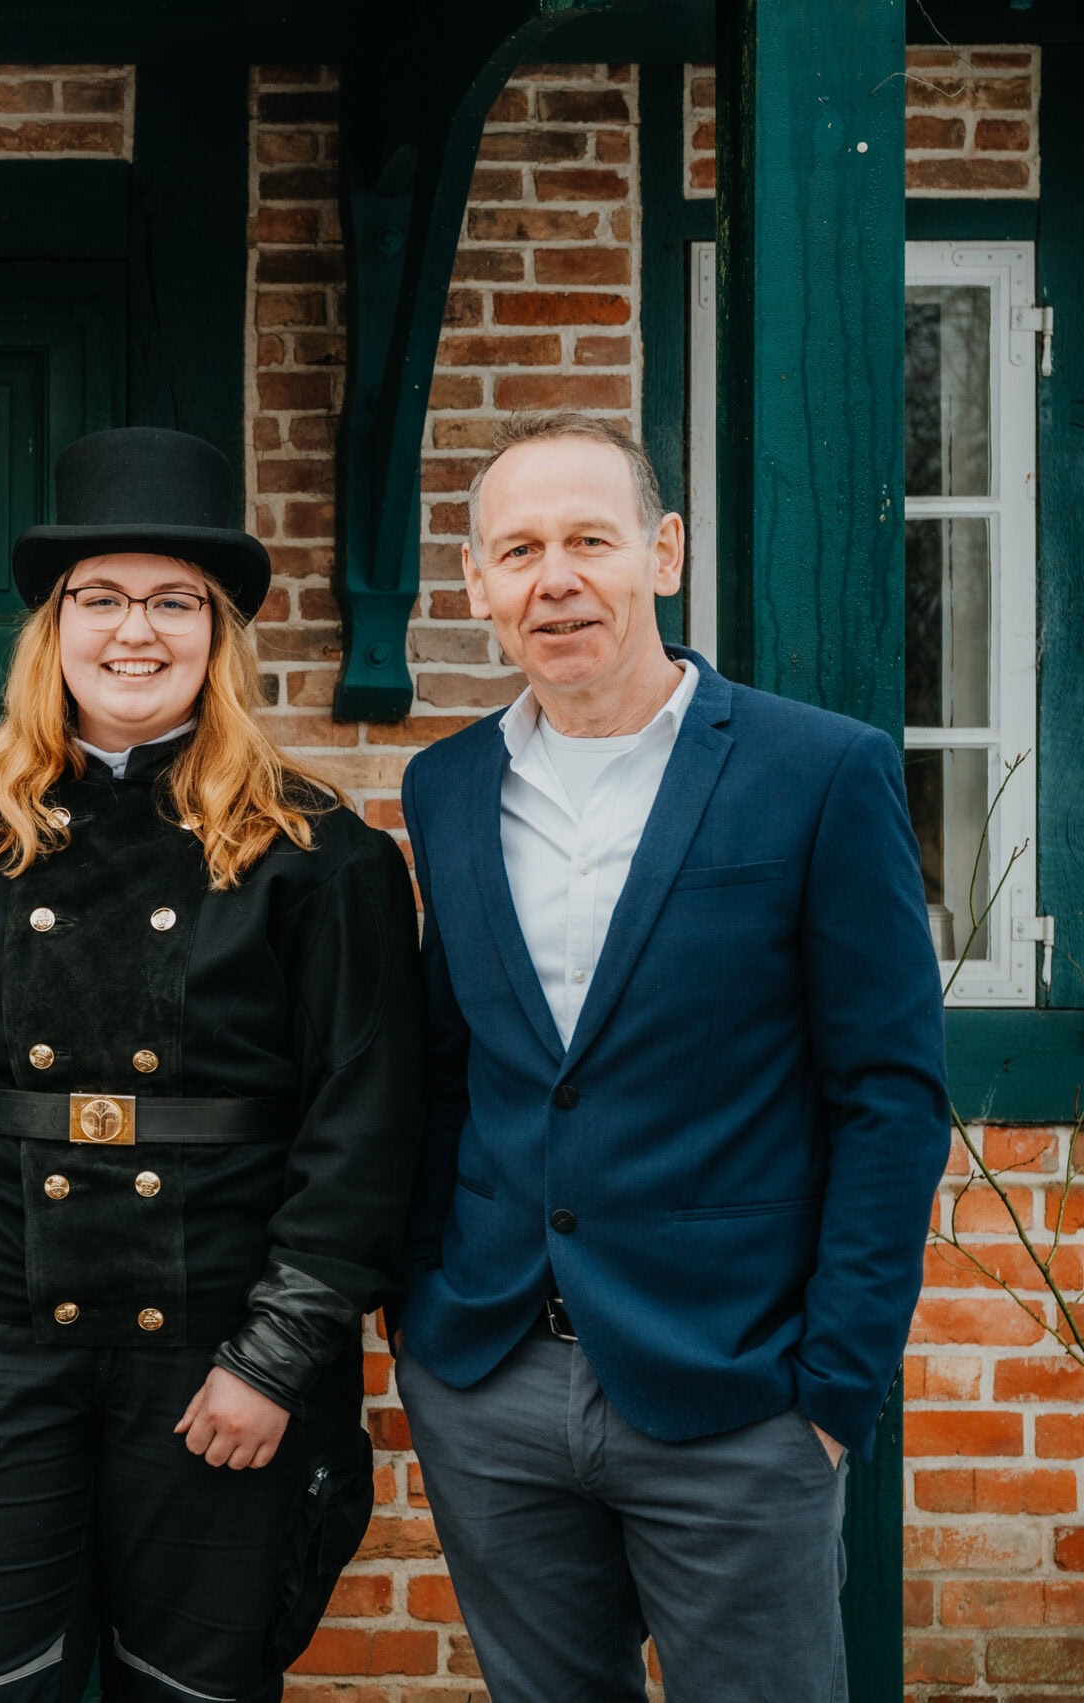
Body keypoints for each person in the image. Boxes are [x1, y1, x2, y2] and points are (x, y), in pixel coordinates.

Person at [0, 427, 425, 1703]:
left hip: (218, 1359)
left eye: (173, 602)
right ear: (52, 629)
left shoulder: (322, 856)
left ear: (220, 635)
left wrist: (276, 1356)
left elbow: (366, 1126)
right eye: (98, 599)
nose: (134, 632)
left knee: (191, 1688)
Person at [394, 413, 951, 1702]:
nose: (555, 578)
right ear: (476, 582)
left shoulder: (817, 771)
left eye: (589, 538)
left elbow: (889, 1097)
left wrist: (830, 1386)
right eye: (518, 549)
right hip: (490, 1380)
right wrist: (420, 1317)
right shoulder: (447, 788)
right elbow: (445, 1065)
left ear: (664, 551)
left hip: (737, 1392)